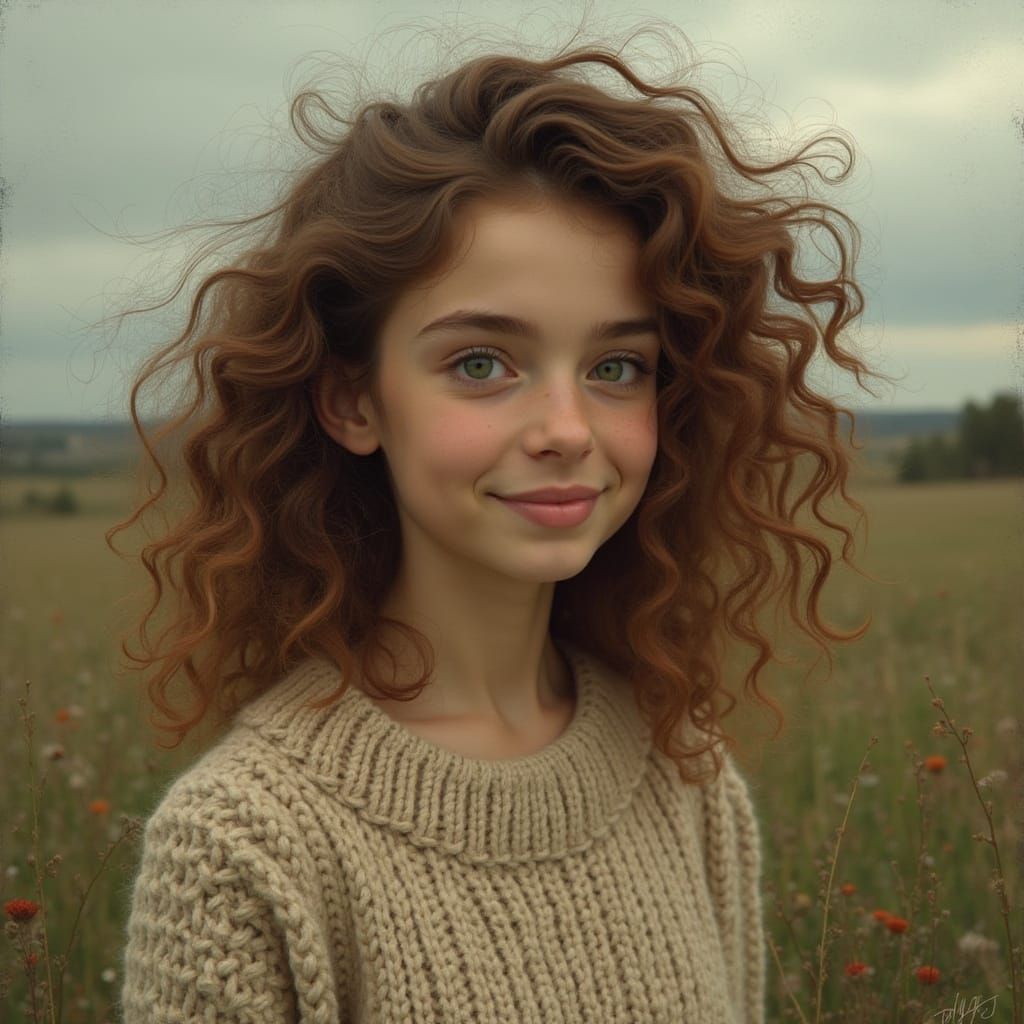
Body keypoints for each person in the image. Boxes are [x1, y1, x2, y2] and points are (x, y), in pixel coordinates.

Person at [112, 21, 887, 1023]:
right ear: (351, 401)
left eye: (617, 366)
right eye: (481, 362)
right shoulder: (244, 842)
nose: (567, 430)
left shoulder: (682, 775)